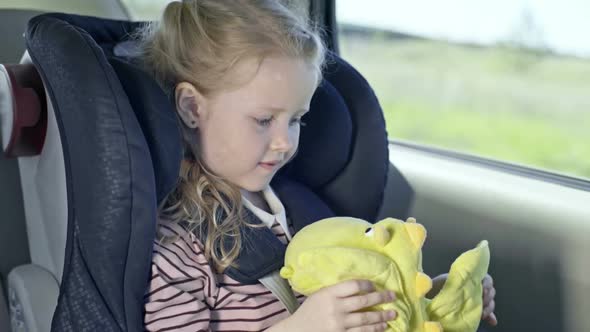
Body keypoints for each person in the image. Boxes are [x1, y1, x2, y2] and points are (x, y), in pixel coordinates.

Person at [140, 1, 497, 331]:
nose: (285, 141)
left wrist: (430, 300)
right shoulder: (176, 247)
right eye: (264, 120)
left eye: (296, 119)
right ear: (192, 109)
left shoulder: (299, 212)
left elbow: (356, 307)